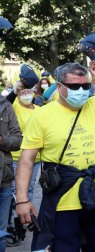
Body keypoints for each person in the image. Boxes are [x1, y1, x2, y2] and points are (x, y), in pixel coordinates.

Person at [15, 34, 95, 251]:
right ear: (60, 87)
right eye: (74, 87)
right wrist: (22, 200)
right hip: (62, 201)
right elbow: (27, 160)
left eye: (85, 86)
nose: (81, 91)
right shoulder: (43, 115)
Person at [0, 94, 22, 251]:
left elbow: (18, 140)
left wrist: (3, 141)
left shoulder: (6, 106)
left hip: (4, 180)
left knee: (1, 232)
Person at [11, 88, 40, 201]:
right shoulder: (15, 107)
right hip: (17, 157)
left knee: (30, 188)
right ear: (17, 96)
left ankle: (28, 217)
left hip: (36, 157)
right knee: (15, 189)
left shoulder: (39, 109)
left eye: (28, 91)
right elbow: (8, 101)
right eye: (22, 93)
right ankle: (14, 215)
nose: (26, 94)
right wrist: (14, 91)